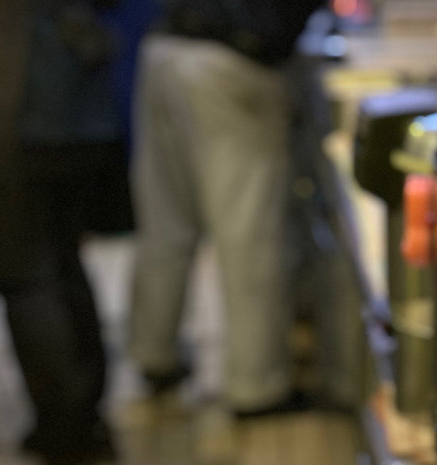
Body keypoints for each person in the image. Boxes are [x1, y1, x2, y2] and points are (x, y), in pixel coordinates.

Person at [127, 0, 324, 414]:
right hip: (231, 60)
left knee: (165, 220)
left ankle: (153, 356)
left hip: (165, 47)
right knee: (248, 231)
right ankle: (257, 388)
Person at [0, 0, 133, 465]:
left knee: (27, 278)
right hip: (75, 112)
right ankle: (84, 417)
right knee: (63, 265)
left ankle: (65, 430)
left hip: (11, 112)